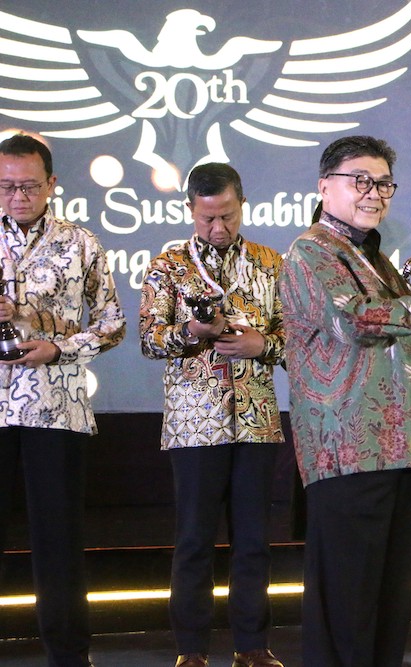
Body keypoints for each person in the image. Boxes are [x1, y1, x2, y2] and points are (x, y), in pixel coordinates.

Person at [279, 135, 411, 666]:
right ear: (325, 186)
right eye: (360, 180)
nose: (374, 193)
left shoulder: (374, 257)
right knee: (348, 604)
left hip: (402, 448)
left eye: (384, 184)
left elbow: (401, 329)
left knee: (390, 604)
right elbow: (356, 320)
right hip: (350, 449)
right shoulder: (312, 250)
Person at [139, 163, 285, 667]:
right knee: (194, 540)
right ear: (190, 210)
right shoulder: (167, 266)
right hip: (193, 422)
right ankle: (192, 650)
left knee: (254, 541)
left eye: (227, 216)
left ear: (242, 205)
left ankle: (253, 646)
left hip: (258, 420)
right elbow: (149, 341)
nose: (218, 228)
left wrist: (262, 345)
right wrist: (192, 333)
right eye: (207, 219)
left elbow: (296, 338)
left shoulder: (270, 263)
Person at [0, 133, 126, 666]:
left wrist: (59, 347)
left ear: (52, 184)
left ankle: (69, 655)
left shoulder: (81, 243)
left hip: (57, 407)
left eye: (29, 186)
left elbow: (114, 323)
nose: (18, 196)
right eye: (6, 187)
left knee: (58, 540)